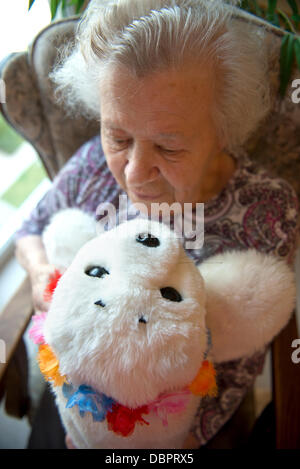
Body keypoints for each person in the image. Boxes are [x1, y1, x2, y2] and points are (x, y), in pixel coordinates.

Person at [15, 0, 299, 448]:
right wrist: (37, 274)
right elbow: (31, 227)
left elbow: (233, 373)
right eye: (119, 137)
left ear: (223, 128)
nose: (132, 175)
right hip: (73, 397)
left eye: (168, 147)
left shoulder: (265, 210)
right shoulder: (92, 163)